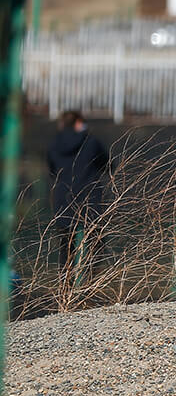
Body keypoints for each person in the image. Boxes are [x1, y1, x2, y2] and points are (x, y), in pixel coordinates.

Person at [46, 110, 111, 273]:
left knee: (66, 248)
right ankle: (89, 283)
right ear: (77, 123)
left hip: (64, 201)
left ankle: (66, 288)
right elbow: (107, 164)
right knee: (95, 245)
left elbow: (52, 170)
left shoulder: (54, 145)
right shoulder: (91, 142)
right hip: (90, 201)